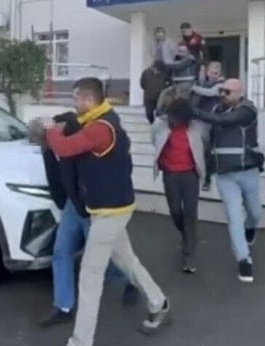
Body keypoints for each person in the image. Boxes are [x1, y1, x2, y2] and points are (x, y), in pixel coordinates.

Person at [43, 77, 170, 346]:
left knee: (90, 274)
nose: (75, 104)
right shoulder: (100, 121)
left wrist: (50, 130)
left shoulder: (101, 128)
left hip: (110, 212)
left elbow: (65, 148)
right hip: (110, 208)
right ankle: (159, 302)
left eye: (76, 99)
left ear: (89, 100)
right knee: (127, 262)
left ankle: (80, 341)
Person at [29, 113, 138, 328]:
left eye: (45, 143)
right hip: (72, 203)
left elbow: (93, 171)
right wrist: (63, 203)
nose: (46, 147)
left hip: (92, 203)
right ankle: (63, 307)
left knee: (108, 255)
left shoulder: (78, 133)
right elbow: (54, 176)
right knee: (61, 252)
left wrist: (88, 203)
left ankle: (131, 280)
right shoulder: (48, 146)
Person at [193, 78, 265, 283]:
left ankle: (250, 228)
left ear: (239, 93)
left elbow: (228, 120)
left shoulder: (247, 109)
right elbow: (208, 140)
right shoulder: (217, 110)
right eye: (221, 91)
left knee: (255, 213)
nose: (222, 95)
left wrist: (194, 112)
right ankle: (244, 260)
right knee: (234, 217)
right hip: (225, 175)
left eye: (227, 92)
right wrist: (207, 173)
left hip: (248, 171)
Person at [151, 98, 207, 273]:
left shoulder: (196, 128)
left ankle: (189, 255)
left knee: (190, 213)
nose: (172, 120)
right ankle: (188, 236)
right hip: (170, 174)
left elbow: (204, 144)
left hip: (190, 175)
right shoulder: (160, 125)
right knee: (175, 211)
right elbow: (154, 141)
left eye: (175, 117)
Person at [190, 61, 225, 191]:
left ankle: (207, 179)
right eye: (212, 72)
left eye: (216, 73)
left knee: (206, 152)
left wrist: (192, 87)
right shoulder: (201, 83)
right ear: (207, 72)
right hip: (195, 120)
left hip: (208, 123)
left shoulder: (220, 85)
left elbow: (209, 93)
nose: (214, 75)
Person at [155, 43, 197, 116]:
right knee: (164, 92)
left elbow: (179, 66)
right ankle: (159, 111)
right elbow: (169, 70)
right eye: (180, 51)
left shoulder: (190, 59)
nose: (181, 53)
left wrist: (165, 64)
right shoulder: (175, 59)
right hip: (176, 84)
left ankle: (176, 115)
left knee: (177, 98)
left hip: (186, 84)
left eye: (183, 51)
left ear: (188, 51)